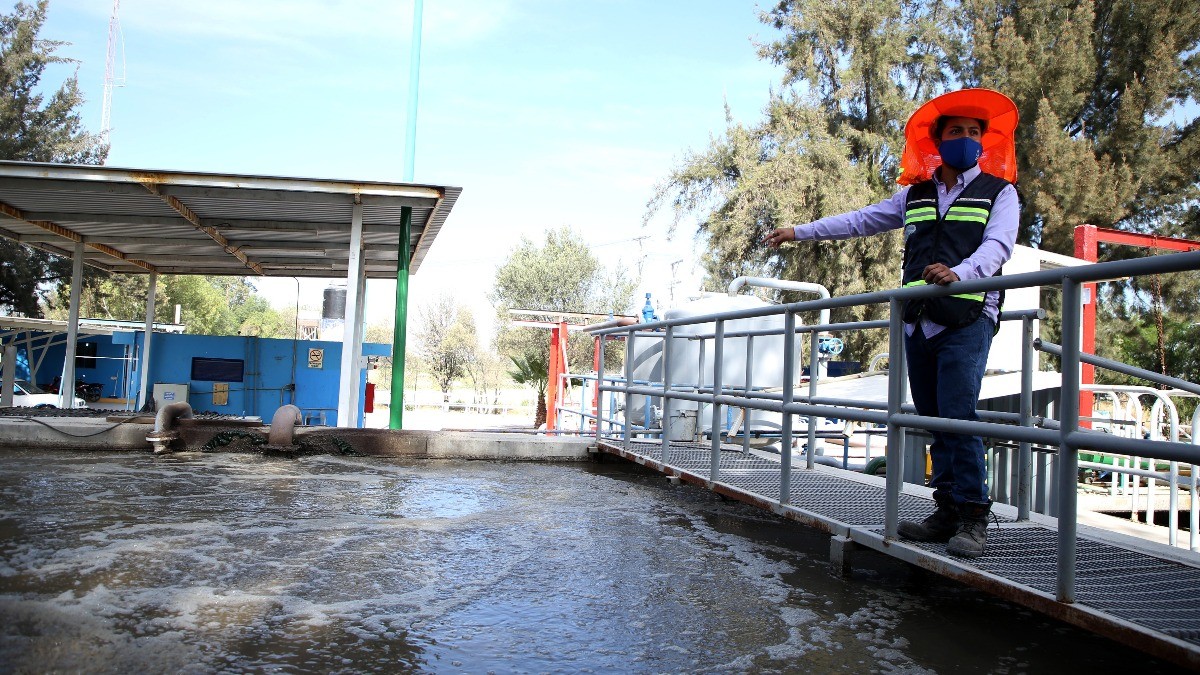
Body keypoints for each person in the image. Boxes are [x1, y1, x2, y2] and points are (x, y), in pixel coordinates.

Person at [763, 88, 1020, 559]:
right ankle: (944, 511)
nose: (965, 140)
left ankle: (973, 518)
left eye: (973, 133)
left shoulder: (1000, 193)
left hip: (967, 318)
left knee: (958, 416)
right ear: (938, 141)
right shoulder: (916, 194)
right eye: (956, 132)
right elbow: (861, 221)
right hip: (918, 322)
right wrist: (798, 231)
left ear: (984, 143)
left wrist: (959, 273)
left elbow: (998, 248)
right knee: (930, 417)